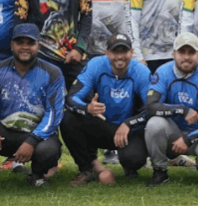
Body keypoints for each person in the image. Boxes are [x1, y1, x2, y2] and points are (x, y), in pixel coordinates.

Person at [0, 23, 65, 186]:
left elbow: (54, 113)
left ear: (38, 46)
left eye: (30, 43)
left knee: (47, 150)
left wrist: (32, 141)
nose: (25, 47)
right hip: (4, 135)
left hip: (37, 137)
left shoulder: (52, 73)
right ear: (12, 45)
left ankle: (37, 176)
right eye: (20, 42)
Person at [142, 32, 198, 185]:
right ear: (173, 54)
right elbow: (151, 106)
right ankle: (160, 171)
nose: (186, 57)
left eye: (191, 52)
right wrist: (182, 110)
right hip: (171, 132)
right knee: (154, 124)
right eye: (181, 52)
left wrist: (188, 139)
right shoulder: (162, 72)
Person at [62, 34, 154, 183]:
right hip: (102, 124)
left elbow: (152, 108)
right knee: (68, 118)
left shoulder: (142, 72)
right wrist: (87, 108)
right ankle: (88, 169)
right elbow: (71, 98)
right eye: (115, 52)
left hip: (129, 129)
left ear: (131, 52)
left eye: (124, 52)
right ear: (107, 53)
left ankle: (130, 167)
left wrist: (129, 123)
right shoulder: (95, 65)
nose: (120, 56)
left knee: (134, 159)